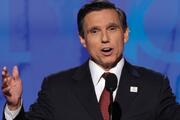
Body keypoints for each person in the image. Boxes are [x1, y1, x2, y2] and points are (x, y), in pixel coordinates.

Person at [1, 1, 180, 120]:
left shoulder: (154, 85)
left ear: (125, 34)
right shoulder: (56, 87)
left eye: (112, 28)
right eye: (94, 31)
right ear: (82, 39)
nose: (104, 38)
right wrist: (14, 105)